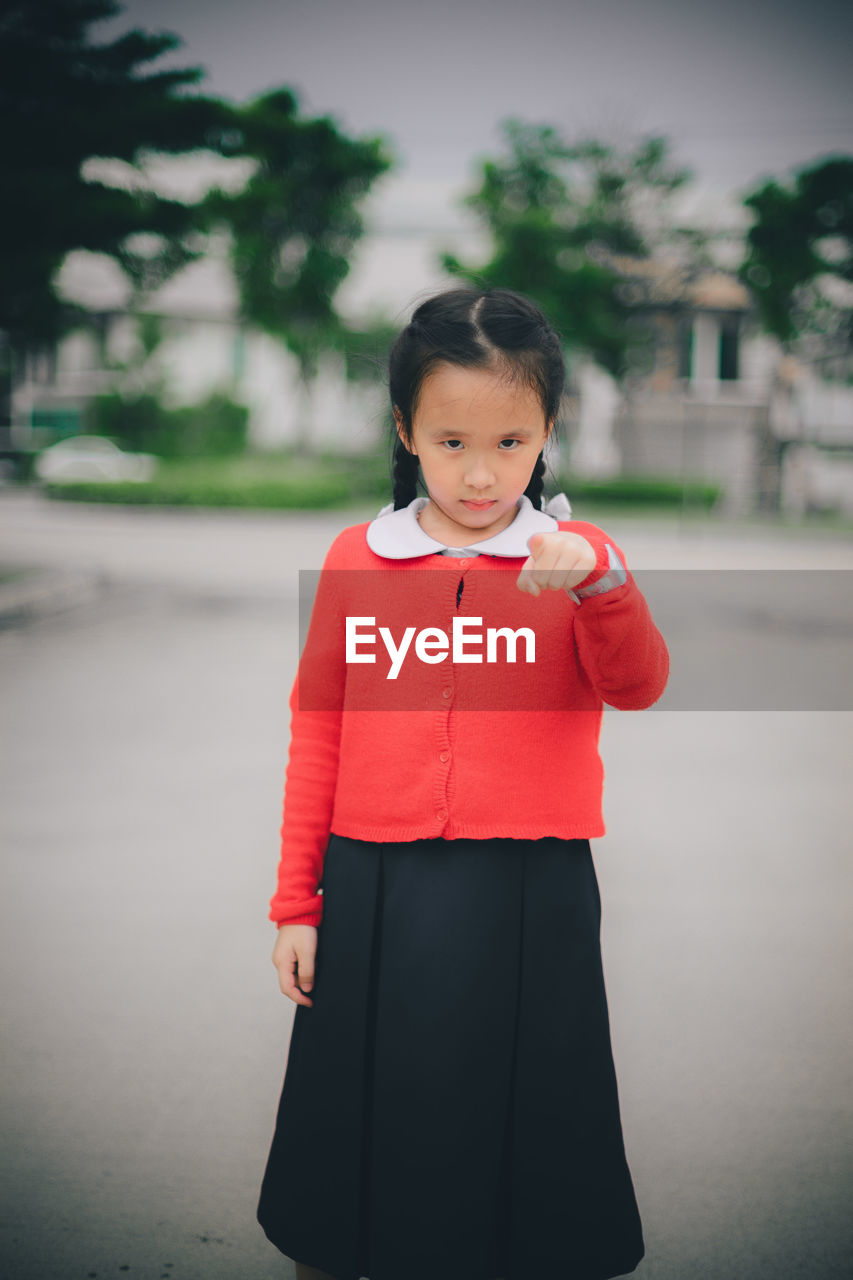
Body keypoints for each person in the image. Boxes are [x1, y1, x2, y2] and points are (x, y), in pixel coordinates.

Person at [257, 287, 669, 1280]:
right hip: (375, 885)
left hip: (532, 888)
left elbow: (638, 683)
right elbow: (318, 731)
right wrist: (295, 901)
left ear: (546, 434)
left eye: (509, 442)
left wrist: (598, 584)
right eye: (449, 441)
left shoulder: (578, 558)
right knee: (370, 1117)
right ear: (404, 430)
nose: (480, 473)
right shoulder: (358, 558)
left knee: (525, 1124)